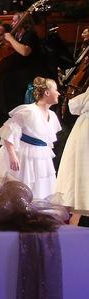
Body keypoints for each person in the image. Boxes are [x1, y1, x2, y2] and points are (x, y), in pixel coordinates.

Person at [0, 77, 61, 200]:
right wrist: (12, 155)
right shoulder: (29, 111)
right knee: (21, 188)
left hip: (41, 157)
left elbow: (48, 140)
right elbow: (9, 131)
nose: (58, 93)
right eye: (55, 90)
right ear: (47, 92)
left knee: (41, 190)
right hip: (24, 155)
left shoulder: (53, 116)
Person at [58, 91, 89, 227]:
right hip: (83, 130)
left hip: (84, 131)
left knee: (78, 171)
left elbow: (73, 106)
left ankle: (74, 219)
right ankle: (75, 219)